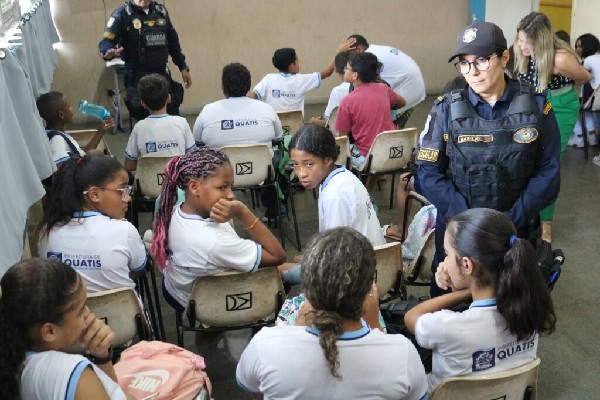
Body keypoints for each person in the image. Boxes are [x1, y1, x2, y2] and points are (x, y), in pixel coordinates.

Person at [417, 20, 561, 297]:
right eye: (464, 63)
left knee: (515, 305)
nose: (472, 72)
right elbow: (429, 172)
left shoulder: (537, 106)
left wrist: (509, 221)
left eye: (482, 60)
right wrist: (468, 221)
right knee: (450, 304)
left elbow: (548, 171)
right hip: (458, 233)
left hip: (516, 231)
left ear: (504, 57)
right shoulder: (445, 109)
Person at [237, 227, 429, 400]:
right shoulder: (402, 354)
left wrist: (295, 329)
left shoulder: (265, 346)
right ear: (370, 289)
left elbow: (256, 390)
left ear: (306, 289)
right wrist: (377, 329)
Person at [405, 208, 556, 393]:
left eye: (447, 254)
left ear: (467, 265)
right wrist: (466, 281)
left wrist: (465, 292)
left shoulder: (447, 326)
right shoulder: (529, 310)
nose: (445, 261)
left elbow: (411, 317)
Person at [152, 147, 286, 312]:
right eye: (222, 187)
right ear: (194, 187)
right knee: (287, 271)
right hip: (211, 304)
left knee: (293, 266)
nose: (231, 195)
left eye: (230, 187)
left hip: (177, 289)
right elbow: (278, 256)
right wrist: (243, 213)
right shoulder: (215, 242)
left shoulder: (172, 212)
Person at [0, 258, 129, 399]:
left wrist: (101, 356)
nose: (88, 313)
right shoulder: (69, 372)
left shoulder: (14, 362)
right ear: (49, 331)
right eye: (81, 310)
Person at [514, 12, 591, 242]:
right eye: (520, 40)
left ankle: (546, 223)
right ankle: (526, 214)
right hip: (531, 102)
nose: (522, 46)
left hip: (560, 106)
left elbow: (585, 77)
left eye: (528, 42)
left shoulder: (560, 58)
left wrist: (561, 72)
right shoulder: (521, 50)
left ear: (542, 40)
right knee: (524, 160)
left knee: (548, 164)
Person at [279, 124, 385, 284]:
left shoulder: (335, 194)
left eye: (309, 164)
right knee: (296, 259)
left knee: (276, 274)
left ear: (328, 160)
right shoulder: (342, 175)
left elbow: (334, 257)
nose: (301, 173)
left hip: (354, 273)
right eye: (295, 164)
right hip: (369, 261)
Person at [38, 155, 146, 293]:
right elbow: (138, 269)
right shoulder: (125, 231)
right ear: (94, 194)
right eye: (122, 190)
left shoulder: (47, 232)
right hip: (121, 308)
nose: (128, 197)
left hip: (67, 307)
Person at [383, 76, 467, 241]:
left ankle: (400, 229)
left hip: (446, 191)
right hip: (472, 193)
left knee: (404, 181)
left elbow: (424, 160)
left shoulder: (438, 119)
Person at [98, 0, 191, 119]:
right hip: (137, 78)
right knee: (144, 117)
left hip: (161, 75)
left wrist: (183, 67)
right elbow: (106, 42)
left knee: (172, 113)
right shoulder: (122, 14)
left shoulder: (161, 11)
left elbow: (173, 41)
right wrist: (107, 52)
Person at [335, 51, 406, 189]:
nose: (344, 70)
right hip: (392, 152)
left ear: (355, 75)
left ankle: (356, 191)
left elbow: (342, 140)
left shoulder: (347, 102)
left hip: (367, 157)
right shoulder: (384, 89)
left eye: (347, 68)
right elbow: (402, 102)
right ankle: (367, 191)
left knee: (337, 152)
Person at [193, 62, 283, 156]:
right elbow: (278, 139)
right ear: (249, 85)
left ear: (223, 88)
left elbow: (197, 144)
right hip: (263, 165)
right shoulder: (267, 109)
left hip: (219, 165)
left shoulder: (207, 111)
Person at [248, 38, 356, 114]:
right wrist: (339, 52)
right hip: (296, 130)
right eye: (297, 61)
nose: (299, 63)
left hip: (273, 128)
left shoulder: (269, 79)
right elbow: (328, 72)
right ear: (292, 66)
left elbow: (252, 95)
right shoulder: (301, 80)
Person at [348, 34, 426, 128]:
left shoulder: (368, 57)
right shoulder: (375, 50)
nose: (349, 60)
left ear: (358, 50)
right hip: (413, 85)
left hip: (407, 89)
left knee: (382, 125)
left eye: (349, 54)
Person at [124, 73, 196, 172]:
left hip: (148, 181)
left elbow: (129, 166)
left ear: (143, 104)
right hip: (177, 181)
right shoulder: (181, 123)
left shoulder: (139, 127)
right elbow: (192, 158)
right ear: (168, 98)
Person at [36, 91, 114, 167]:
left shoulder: (55, 132)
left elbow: (82, 155)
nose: (72, 108)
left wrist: (101, 131)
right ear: (61, 114)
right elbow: (62, 170)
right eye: (69, 106)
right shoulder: (57, 140)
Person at [308, 51, 352, 130]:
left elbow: (330, 123)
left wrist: (315, 121)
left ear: (335, 68)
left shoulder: (338, 91)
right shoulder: (365, 86)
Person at [571, 33, 600, 149]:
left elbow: (578, 77)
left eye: (580, 46)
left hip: (595, 99)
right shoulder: (597, 57)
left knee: (573, 108)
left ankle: (580, 137)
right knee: (586, 111)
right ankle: (591, 137)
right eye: (576, 46)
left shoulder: (588, 60)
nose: (577, 49)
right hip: (595, 99)